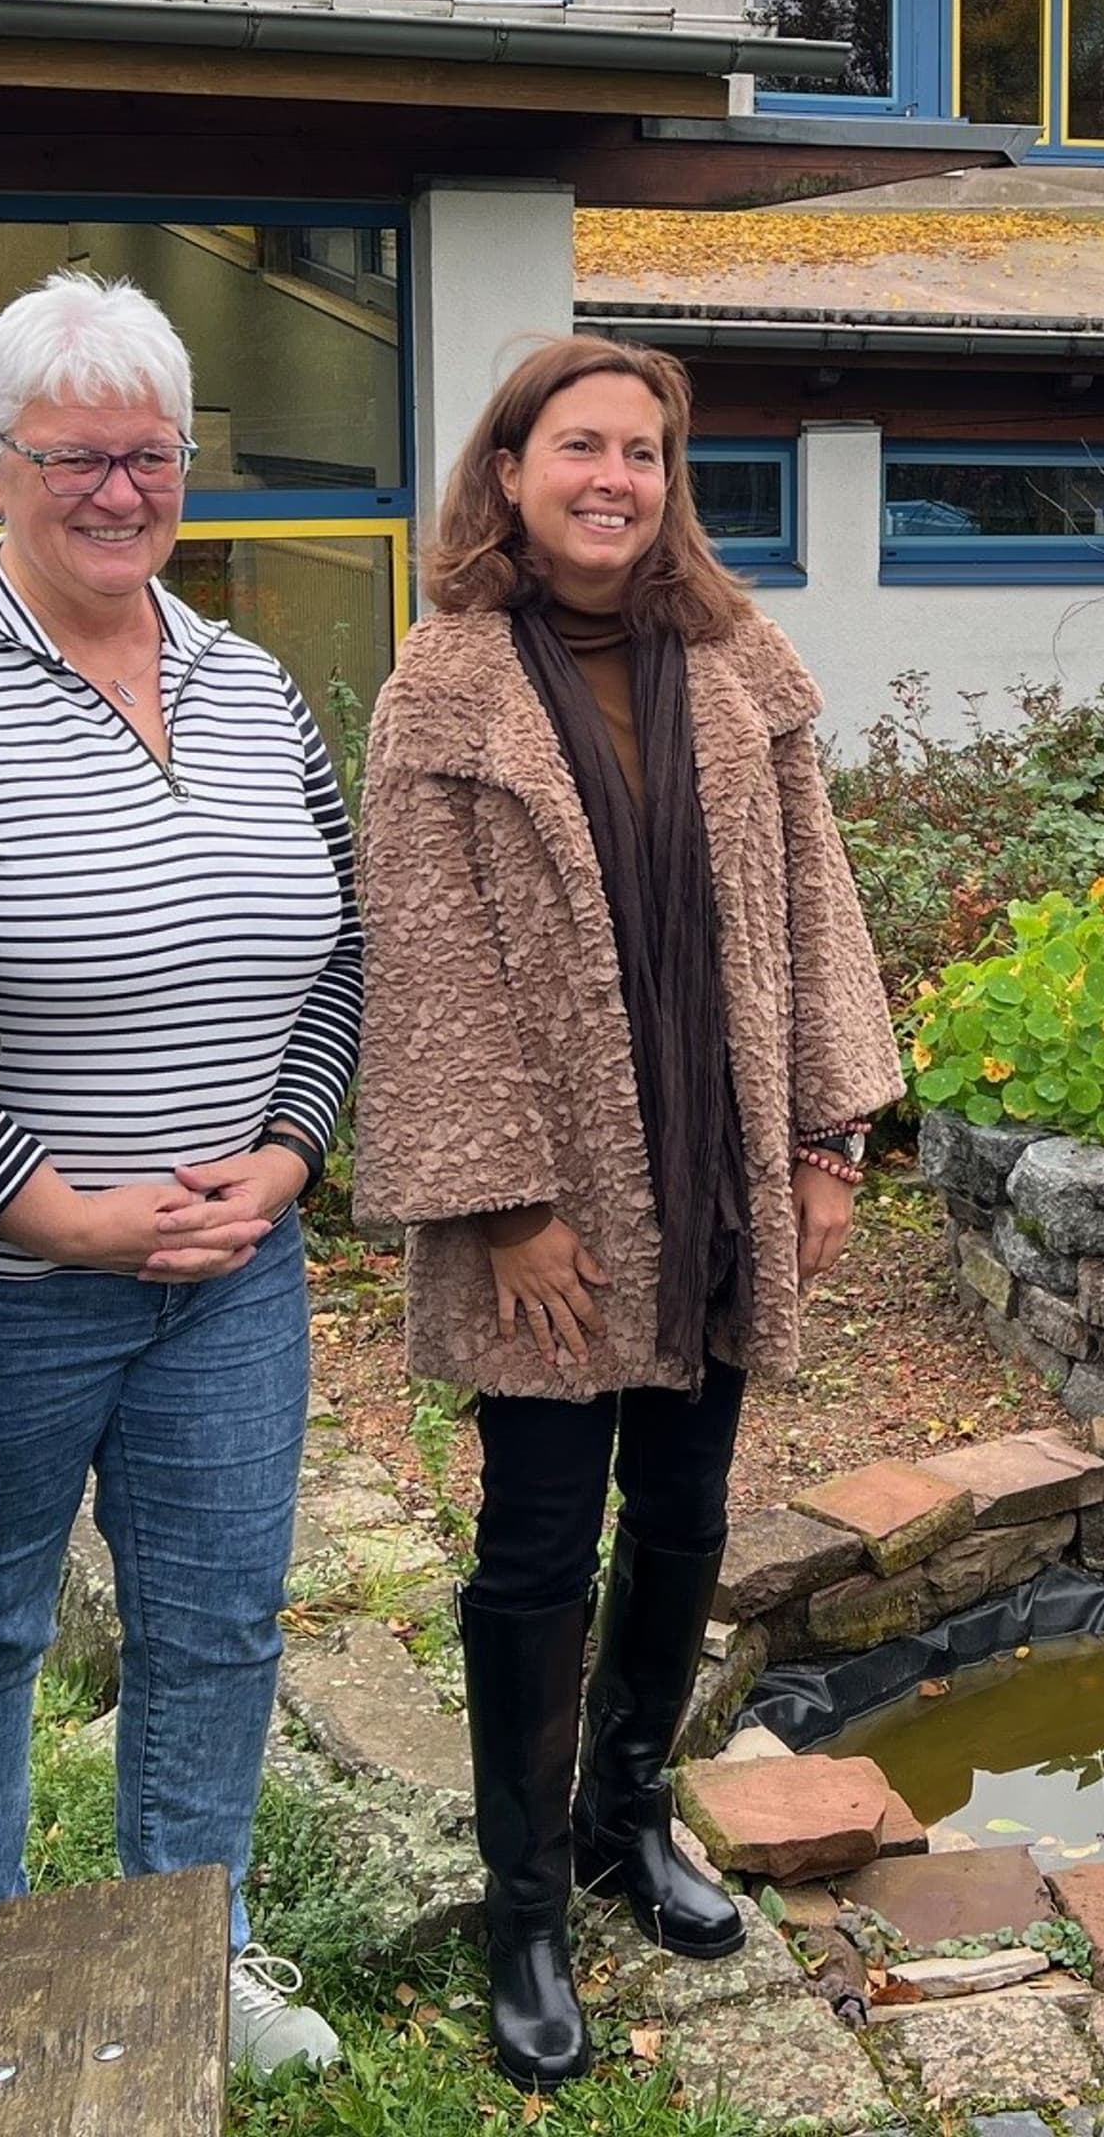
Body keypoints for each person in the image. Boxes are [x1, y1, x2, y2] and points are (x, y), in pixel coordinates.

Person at [352, 333, 903, 2091]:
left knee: (681, 1507)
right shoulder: (443, 688)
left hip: (717, 1172)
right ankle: (524, 1902)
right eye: (577, 448)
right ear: (506, 474)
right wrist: (508, 1207)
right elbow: (424, 965)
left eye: (644, 454)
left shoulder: (738, 663)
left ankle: (625, 1817)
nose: (613, 480)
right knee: (534, 1538)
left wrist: (827, 1138)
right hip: (554, 1198)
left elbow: (816, 901)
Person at [0, 273, 363, 2104]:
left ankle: (191, 1941)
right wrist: (55, 1208)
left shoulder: (249, 683)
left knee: (219, 1625)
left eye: (152, 453)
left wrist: (291, 1152)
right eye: (77, 455)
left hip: (234, 1278)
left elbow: (340, 952)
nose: (120, 490)